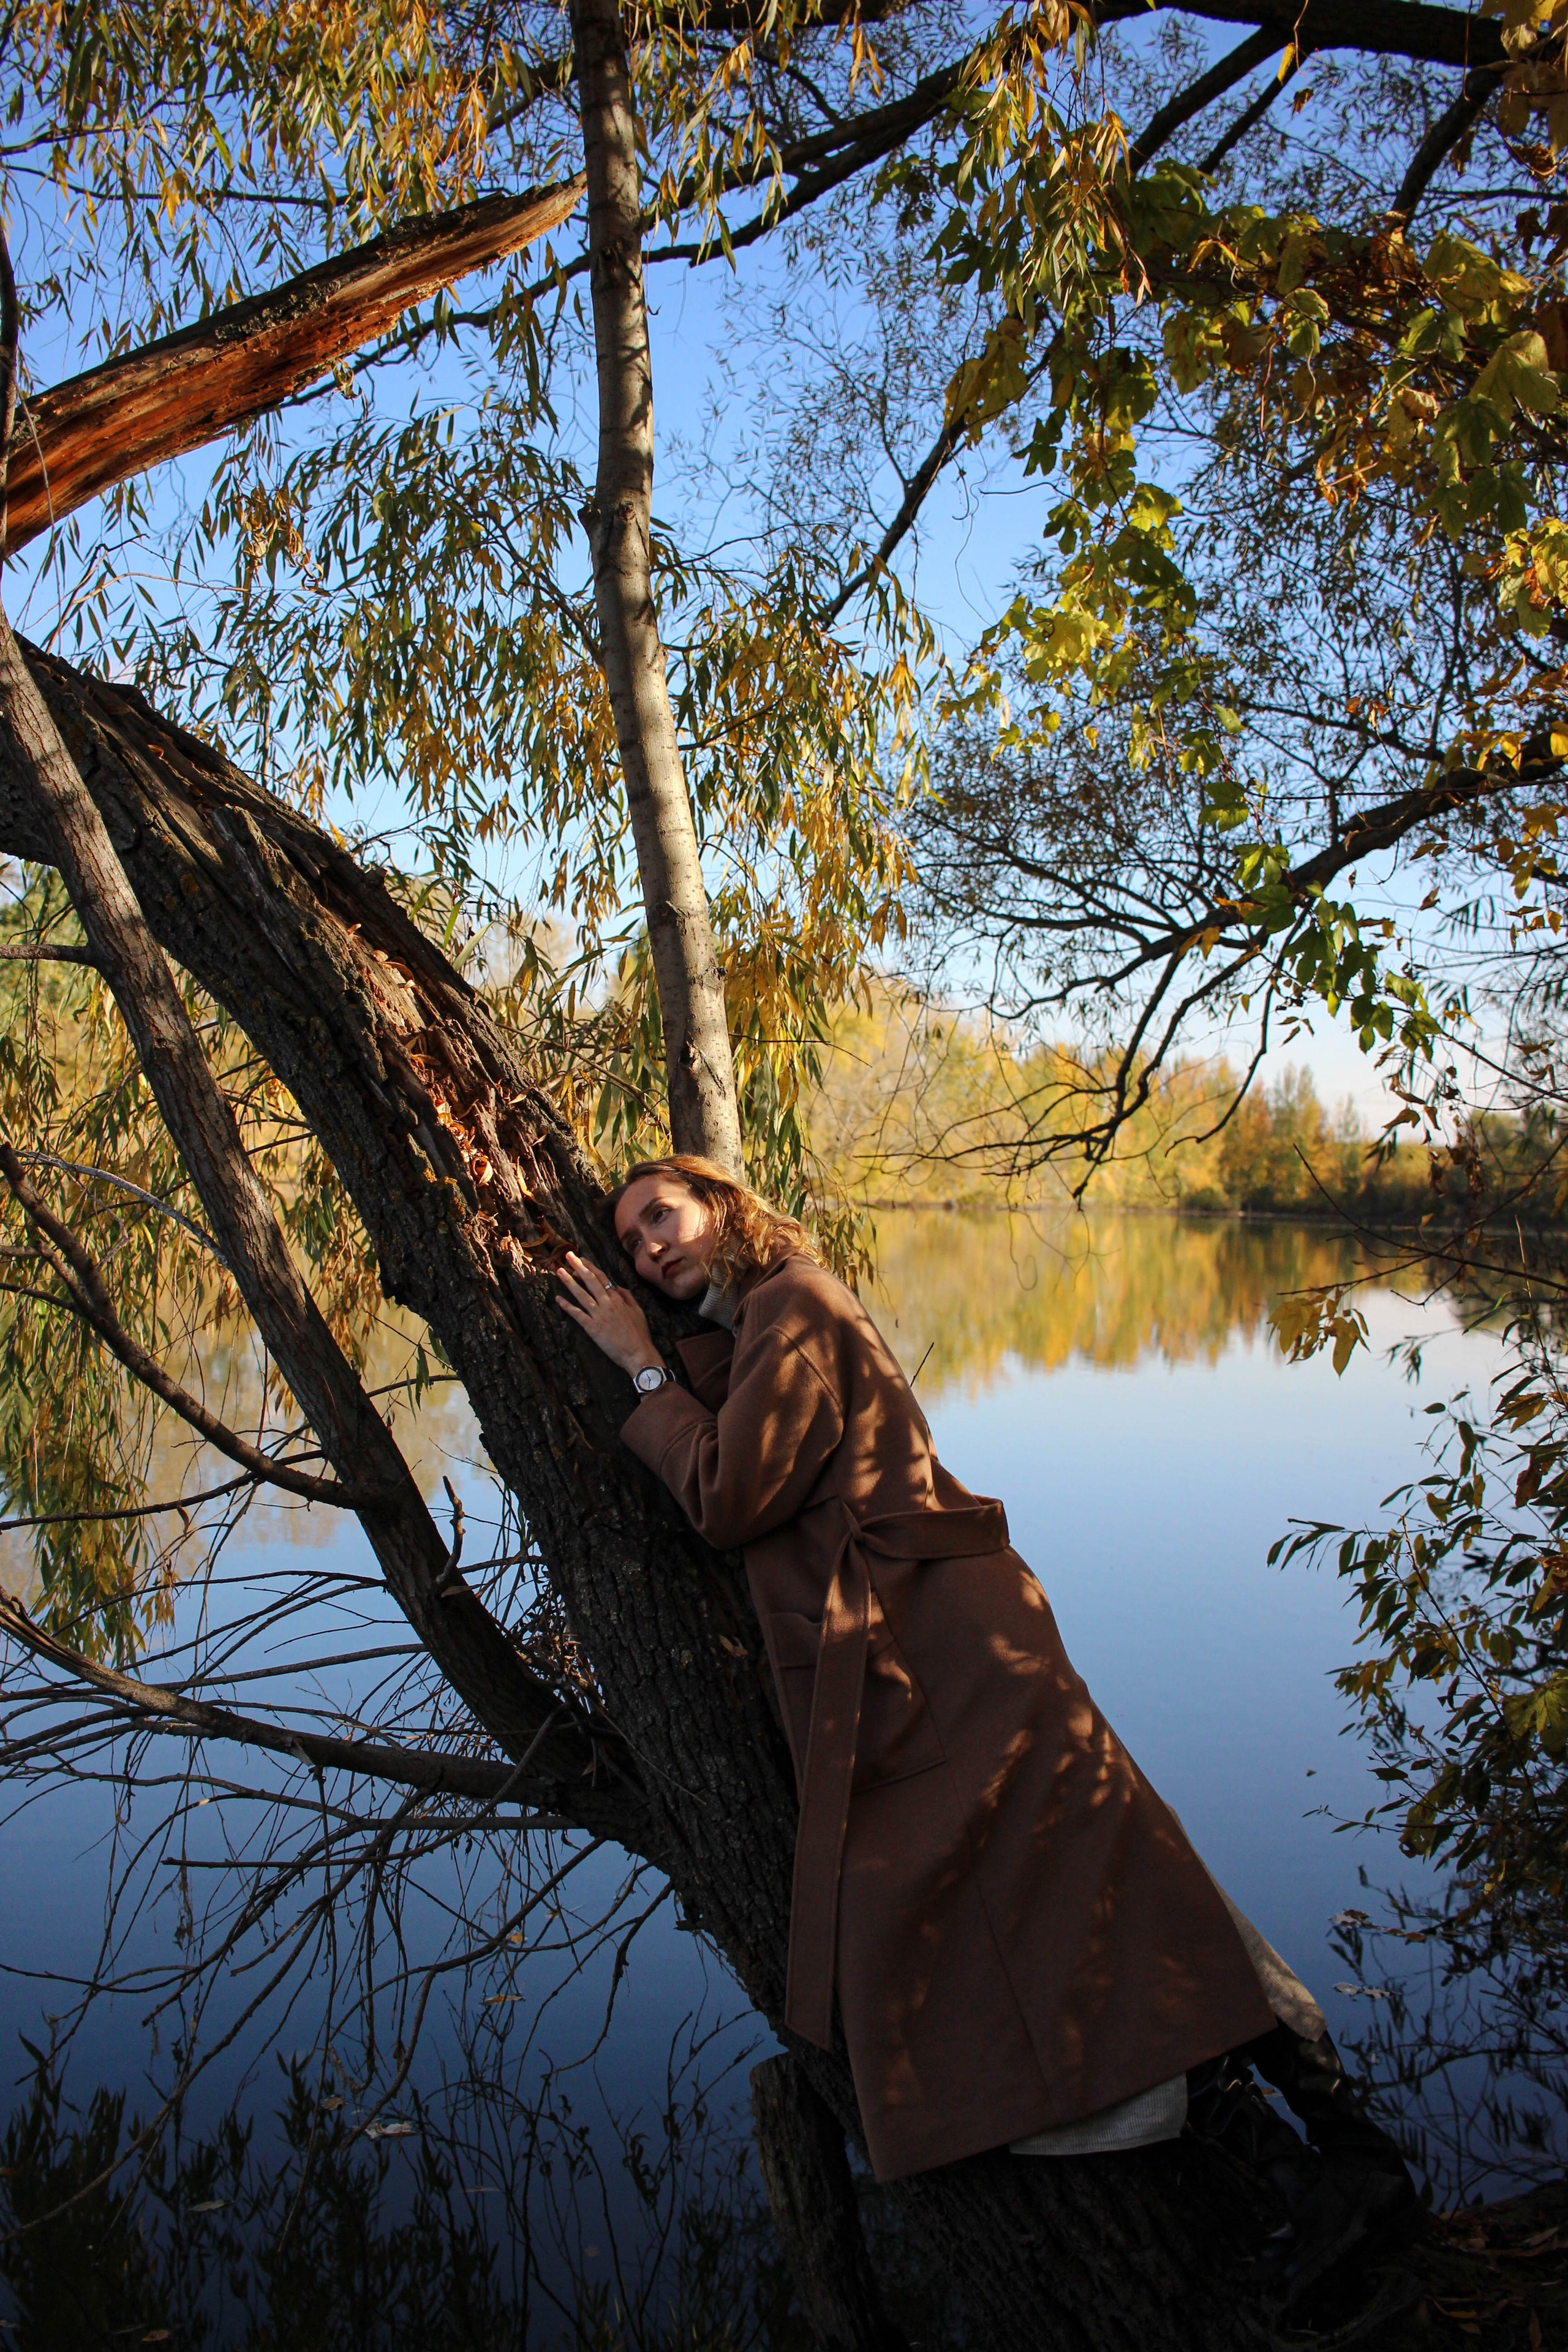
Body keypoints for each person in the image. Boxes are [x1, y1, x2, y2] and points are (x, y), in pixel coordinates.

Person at [556, 1155, 1419, 2306]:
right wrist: (677, 1361)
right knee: (1106, 1902)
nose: (649, 1248)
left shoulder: (795, 1302)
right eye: (631, 1242)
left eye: (662, 1217)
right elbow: (745, 1411)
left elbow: (730, 1495)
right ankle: (1320, 2172)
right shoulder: (763, 1314)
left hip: (948, 1662)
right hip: (933, 1656)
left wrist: (641, 1370)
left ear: (724, 1205)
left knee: (1105, 1903)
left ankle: (1343, 2166)